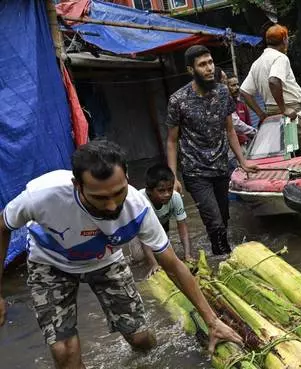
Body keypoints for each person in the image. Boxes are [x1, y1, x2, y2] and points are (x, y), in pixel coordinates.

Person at [0, 140, 241, 369]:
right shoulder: (42, 196)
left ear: (127, 177)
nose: (112, 206)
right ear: (77, 186)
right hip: (51, 263)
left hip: (106, 260)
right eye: (100, 198)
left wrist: (212, 321)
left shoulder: (139, 208)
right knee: (64, 352)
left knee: (140, 339)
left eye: (118, 192)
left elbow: (173, 265)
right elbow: (2, 227)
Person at [165, 45, 257, 256]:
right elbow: (171, 141)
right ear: (191, 70)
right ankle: (225, 259)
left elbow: (230, 130)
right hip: (195, 172)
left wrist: (243, 162)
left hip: (221, 167)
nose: (208, 68)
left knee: (224, 219)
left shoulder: (223, 92)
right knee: (214, 222)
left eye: (210, 62)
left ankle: (221, 255)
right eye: (202, 64)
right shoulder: (178, 100)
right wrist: (173, 177)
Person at [240, 24, 301, 155]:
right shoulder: (280, 58)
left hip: (272, 115)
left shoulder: (257, 63)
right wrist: (284, 108)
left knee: (287, 154)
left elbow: (244, 92)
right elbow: (274, 81)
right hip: (291, 111)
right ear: (285, 39)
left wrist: (261, 114)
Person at [139, 164, 192, 277]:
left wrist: (187, 255)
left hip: (162, 226)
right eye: (161, 191)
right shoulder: (141, 201)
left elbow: (183, 228)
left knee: (166, 256)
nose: (167, 194)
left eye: (169, 189)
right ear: (149, 191)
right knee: (139, 258)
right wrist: (153, 264)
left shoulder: (175, 197)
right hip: (138, 232)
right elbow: (144, 238)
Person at [226, 73, 257, 144]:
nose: (237, 87)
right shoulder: (224, 105)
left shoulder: (242, 105)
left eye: (237, 84)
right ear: (226, 87)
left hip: (245, 145)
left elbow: (249, 126)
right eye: (233, 85)